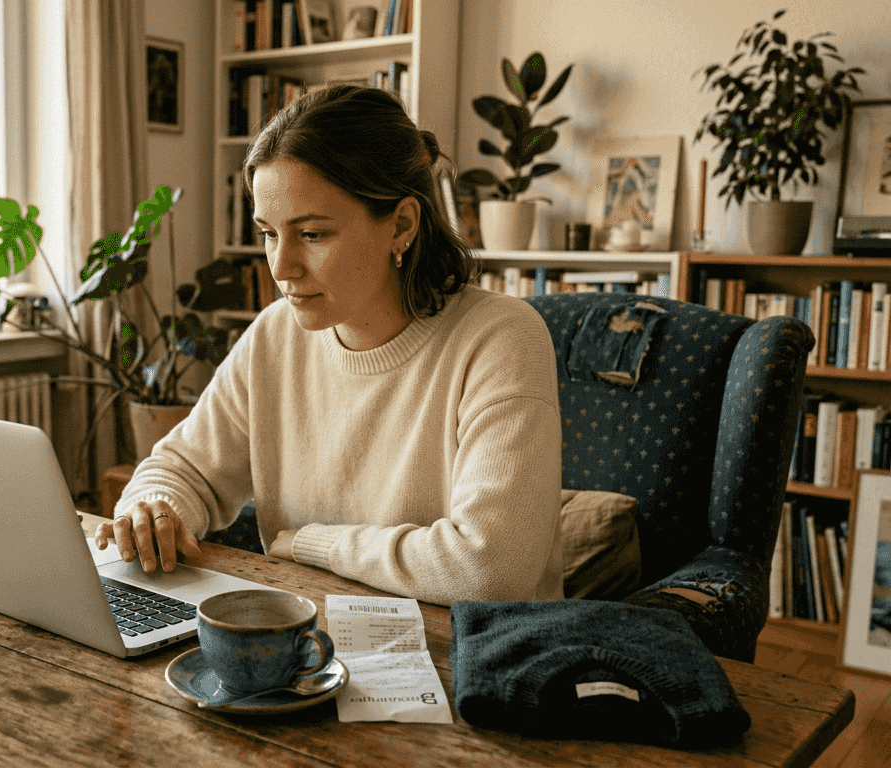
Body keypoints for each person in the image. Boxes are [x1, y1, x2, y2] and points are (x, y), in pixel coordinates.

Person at [94, 85, 564, 605]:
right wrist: (153, 507)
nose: (280, 266)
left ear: (402, 224)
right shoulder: (276, 335)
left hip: (469, 655)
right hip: (311, 635)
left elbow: (489, 570)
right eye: (269, 233)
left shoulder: (501, 338)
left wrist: (312, 543)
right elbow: (183, 469)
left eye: (312, 234)